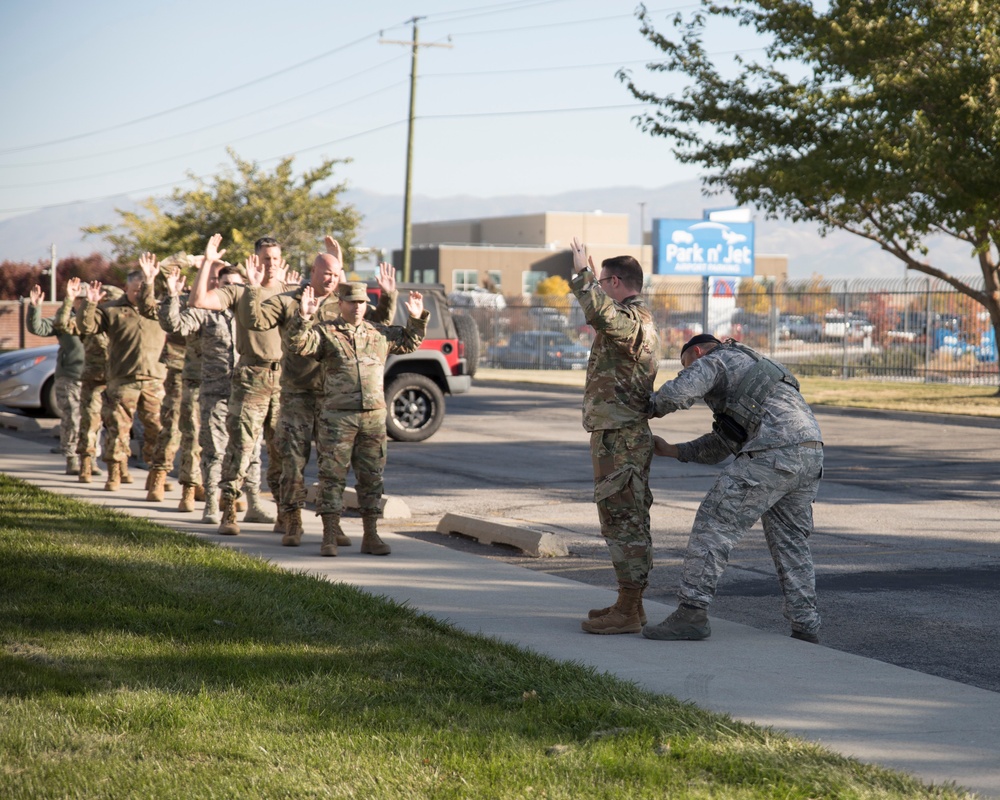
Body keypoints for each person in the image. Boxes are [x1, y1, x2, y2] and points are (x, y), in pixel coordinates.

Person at [644, 333, 824, 644]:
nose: (687, 371)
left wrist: (643, 407)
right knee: (790, 543)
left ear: (697, 352)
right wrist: (674, 450)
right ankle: (805, 625)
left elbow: (678, 394)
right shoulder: (752, 369)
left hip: (774, 451)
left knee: (714, 522)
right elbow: (722, 444)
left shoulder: (716, 359)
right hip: (809, 454)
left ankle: (691, 613)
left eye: (686, 365)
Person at [247, 239, 397, 547]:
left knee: (333, 466)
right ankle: (292, 520)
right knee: (291, 462)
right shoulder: (290, 301)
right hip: (298, 395)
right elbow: (256, 321)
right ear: (312, 271)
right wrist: (253, 289)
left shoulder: (343, 304)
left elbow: (378, 328)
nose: (329, 279)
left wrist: (388, 296)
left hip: (335, 402)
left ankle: (334, 524)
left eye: (335, 273)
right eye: (325, 272)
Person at [287, 281, 427, 557]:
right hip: (337, 418)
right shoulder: (326, 332)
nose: (357, 306)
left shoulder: (379, 332)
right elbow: (297, 344)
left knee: (372, 477)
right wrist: (302, 318)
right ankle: (329, 535)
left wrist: (416, 317)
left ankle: (371, 535)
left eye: (361, 302)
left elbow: (410, 342)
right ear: (341, 304)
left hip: (373, 418)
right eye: (351, 301)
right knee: (332, 477)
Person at [568, 237, 660, 635]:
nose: (599, 288)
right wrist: (590, 278)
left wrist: (581, 277)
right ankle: (631, 605)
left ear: (616, 282)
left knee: (623, 521)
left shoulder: (633, 321)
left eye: (604, 281)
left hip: (621, 437)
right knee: (624, 519)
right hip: (616, 433)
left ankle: (627, 608)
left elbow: (602, 316)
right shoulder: (632, 320)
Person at [189, 234, 288, 534]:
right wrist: (207, 262)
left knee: (283, 450)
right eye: (265, 258)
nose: (270, 264)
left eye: (275, 258)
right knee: (240, 449)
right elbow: (199, 300)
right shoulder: (238, 292)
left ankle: (285, 512)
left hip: (283, 381)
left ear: (281, 261)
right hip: (251, 377)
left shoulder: (292, 293)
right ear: (254, 259)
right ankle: (229, 511)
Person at [160, 260, 260, 523]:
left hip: (247, 391)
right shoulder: (206, 312)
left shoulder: (251, 314)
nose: (232, 290)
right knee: (214, 450)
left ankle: (254, 503)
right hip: (215, 392)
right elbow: (175, 325)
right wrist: (171, 295)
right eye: (227, 285)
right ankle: (212, 506)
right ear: (218, 286)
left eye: (237, 285)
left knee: (251, 450)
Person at [78, 254, 166, 491]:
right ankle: (115, 473)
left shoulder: (160, 311)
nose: (138, 293)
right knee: (117, 429)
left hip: (154, 380)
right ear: (126, 287)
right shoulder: (111, 311)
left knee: (157, 430)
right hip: (122, 380)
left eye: (143, 288)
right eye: (134, 289)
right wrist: (90, 304)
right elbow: (86, 326)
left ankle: (156, 472)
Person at [56, 278, 122, 483]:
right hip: (93, 380)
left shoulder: (119, 324)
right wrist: (69, 299)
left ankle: (119, 466)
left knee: (115, 425)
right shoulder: (89, 324)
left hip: (116, 380)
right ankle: (85, 461)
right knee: (88, 422)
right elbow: (62, 324)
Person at [26, 284, 85, 474]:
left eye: (85, 298)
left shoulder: (100, 319)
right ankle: (72, 458)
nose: (83, 302)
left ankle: (89, 459)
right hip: (69, 377)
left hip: (95, 378)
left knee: (93, 421)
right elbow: (38, 328)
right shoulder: (64, 319)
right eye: (79, 298)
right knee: (73, 418)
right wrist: (35, 308)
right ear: (73, 300)